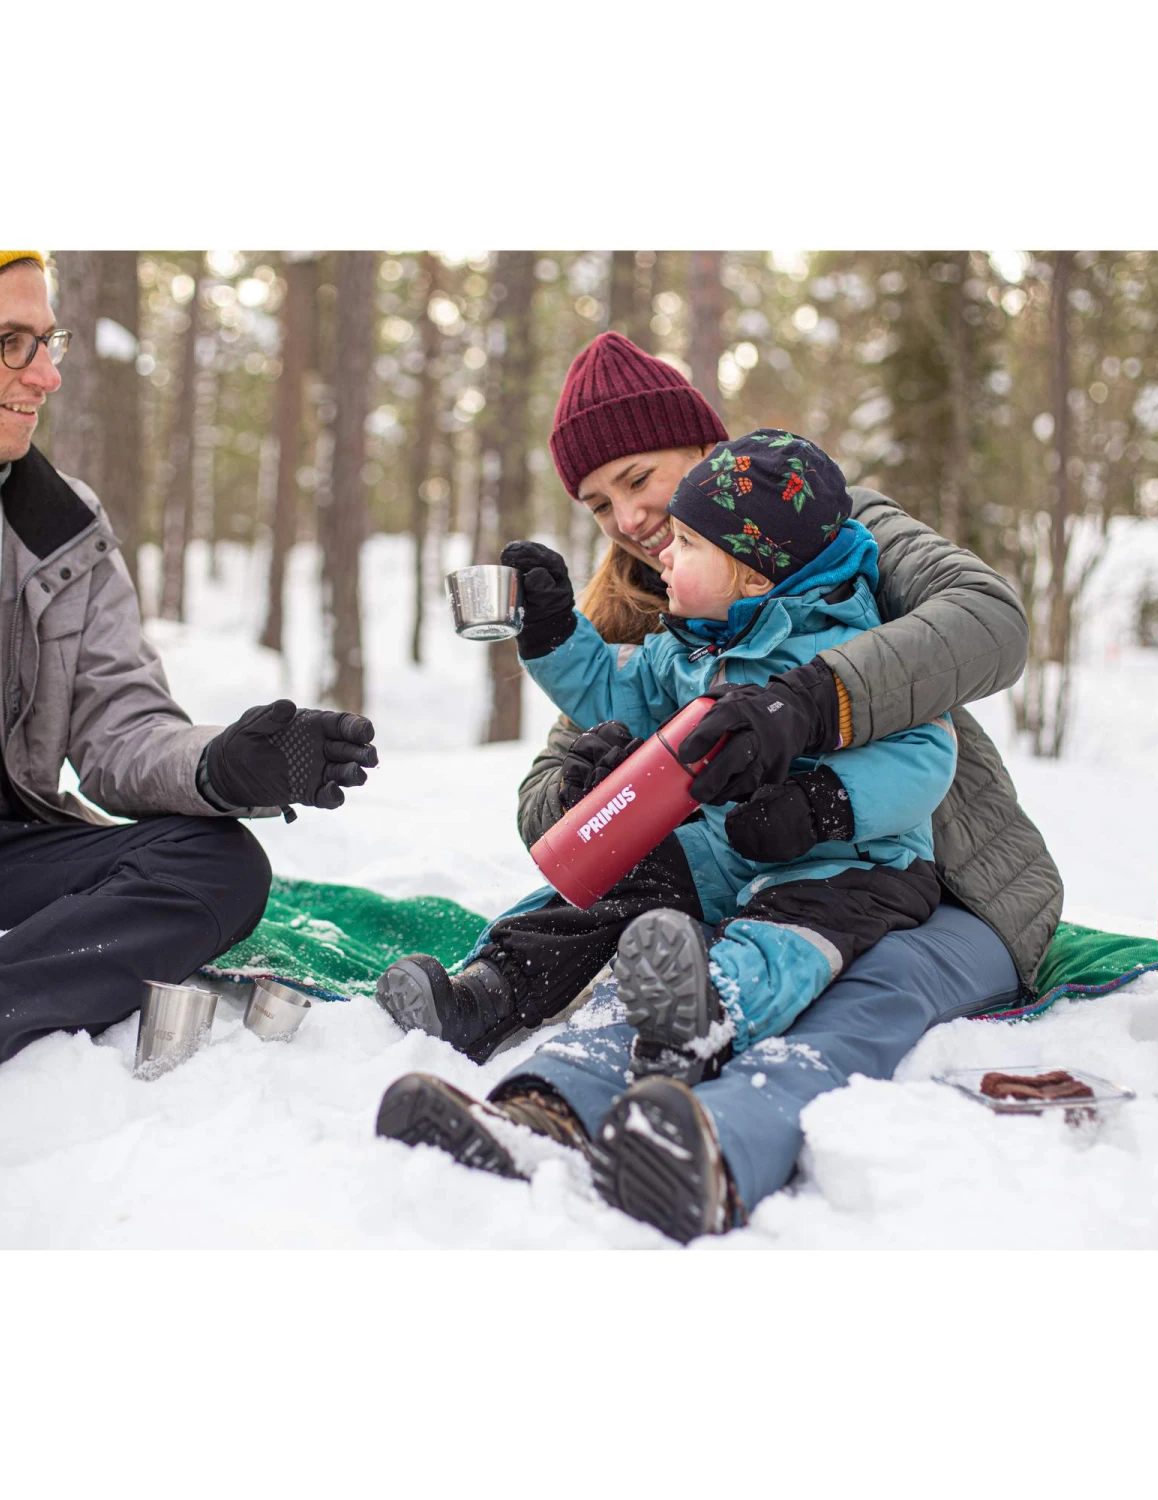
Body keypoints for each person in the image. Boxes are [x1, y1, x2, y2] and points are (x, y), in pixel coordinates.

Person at [376, 330, 1062, 1244]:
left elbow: (987, 625)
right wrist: (593, 775)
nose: (628, 521)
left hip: (925, 885)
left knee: (849, 996)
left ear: (706, 449)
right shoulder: (658, 612)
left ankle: (718, 1144)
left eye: (638, 478)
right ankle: (540, 1111)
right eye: (598, 504)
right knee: (653, 973)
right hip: (741, 877)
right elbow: (555, 801)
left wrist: (806, 709)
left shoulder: (830, 530)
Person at [0, 250, 378, 1154]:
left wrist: (219, 766)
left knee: (220, 865)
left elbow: (121, 726)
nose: (44, 376)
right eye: (10, 343)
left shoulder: (64, 527)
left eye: (47, 342)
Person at [376, 426, 954, 1096]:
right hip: (722, 853)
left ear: (751, 573)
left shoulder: (849, 650)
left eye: (686, 543)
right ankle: (489, 991)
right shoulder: (689, 649)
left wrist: (822, 805)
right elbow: (612, 687)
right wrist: (555, 631)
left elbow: (926, 753)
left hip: (852, 865)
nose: (664, 557)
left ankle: (705, 1013)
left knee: (788, 931)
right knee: (612, 884)